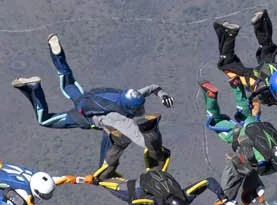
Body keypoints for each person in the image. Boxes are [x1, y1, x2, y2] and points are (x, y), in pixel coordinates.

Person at [12, 34, 169, 132]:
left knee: (66, 77)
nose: (141, 108)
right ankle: (35, 88)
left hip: (87, 97)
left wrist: (162, 94)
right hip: (82, 115)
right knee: (44, 121)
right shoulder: (116, 114)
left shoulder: (129, 95)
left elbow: (152, 88)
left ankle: (56, 52)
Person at [214, 9, 277, 107]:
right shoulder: (262, 92)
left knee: (266, 49)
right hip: (252, 76)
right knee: (226, 64)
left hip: (267, 70)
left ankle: (261, 20)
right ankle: (229, 34)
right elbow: (254, 98)